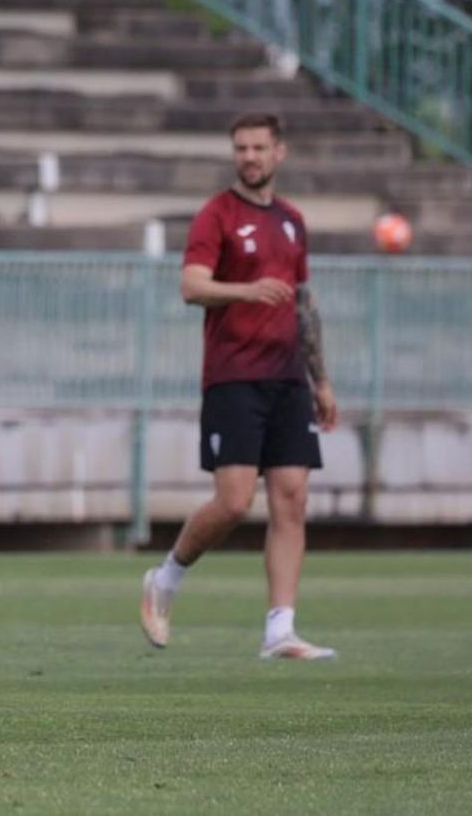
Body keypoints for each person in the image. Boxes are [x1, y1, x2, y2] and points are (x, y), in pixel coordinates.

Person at [139, 112, 339, 660]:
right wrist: (248, 292)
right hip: (233, 376)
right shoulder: (216, 215)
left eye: (258, 147)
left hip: (288, 378)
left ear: (280, 152)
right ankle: (165, 578)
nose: (249, 156)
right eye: (241, 148)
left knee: (292, 499)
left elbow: (303, 303)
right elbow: (191, 286)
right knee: (232, 502)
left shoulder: (293, 221)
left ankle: (281, 629)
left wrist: (320, 379)